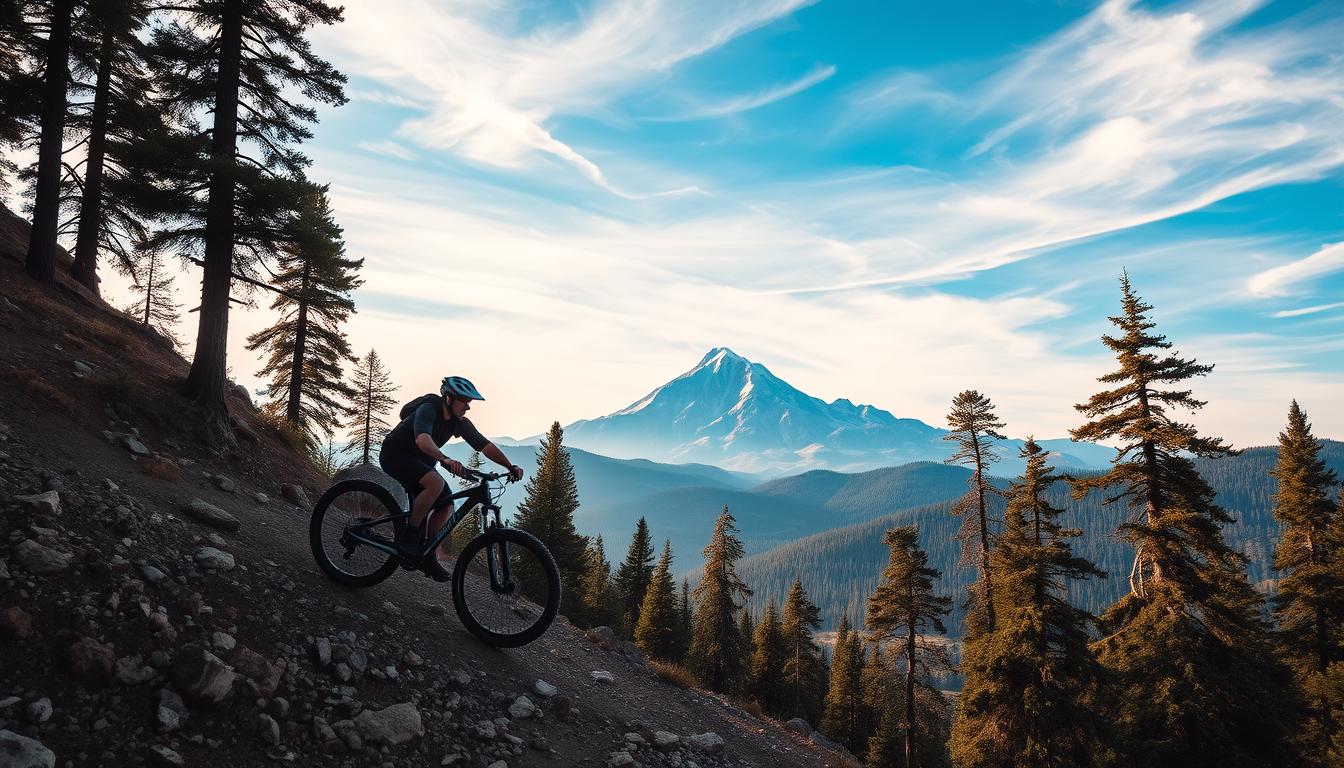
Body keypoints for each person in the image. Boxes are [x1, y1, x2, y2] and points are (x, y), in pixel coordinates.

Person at [379, 375, 524, 581]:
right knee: (435, 483)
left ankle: (427, 555)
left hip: (421, 463)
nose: (468, 407)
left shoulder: (459, 423)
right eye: (464, 401)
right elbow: (422, 439)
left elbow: (485, 446)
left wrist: (510, 466)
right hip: (395, 455)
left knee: (446, 504)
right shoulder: (429, 409)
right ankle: (409, 536)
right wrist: (444, 458)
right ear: (449, 398)